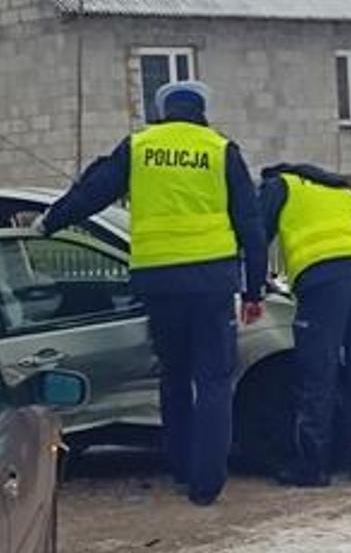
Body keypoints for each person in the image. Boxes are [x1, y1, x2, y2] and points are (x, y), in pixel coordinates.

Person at [34, 81, 267, 506]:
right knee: (214, 382)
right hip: (213, 283)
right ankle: (207, 483)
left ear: (161, 110)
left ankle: (179, 466)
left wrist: (50, 221)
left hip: (159, 282)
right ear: (202, 110)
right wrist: (254, 291)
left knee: (174, 376)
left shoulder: (140, 147)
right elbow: (251, 225)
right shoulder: (220, 149)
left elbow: (94, 190)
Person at [258, 163, 351, 487]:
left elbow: (256, 233)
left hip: (324, 280)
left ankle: (313, 466)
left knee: (318, 370)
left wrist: (252, 283)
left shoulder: (280, 186)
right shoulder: (344, 191)